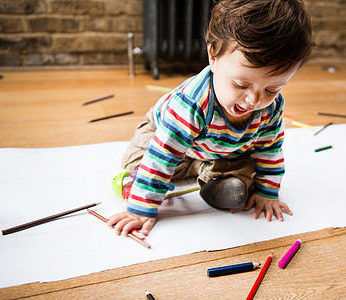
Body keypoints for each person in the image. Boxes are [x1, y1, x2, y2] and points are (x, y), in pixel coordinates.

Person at [107, 0, 315, 237]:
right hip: (163, 134)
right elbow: (163, 153)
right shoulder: (192, 103)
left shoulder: (271, 108)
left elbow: (270, 150)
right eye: (241, 84)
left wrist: (267, 192)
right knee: (142, 164)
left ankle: (204, 169)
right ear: (213, 57)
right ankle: (190, 167)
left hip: (226, 149)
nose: (254, 100)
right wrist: (141, 208)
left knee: (244, 176)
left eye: (272, 89)